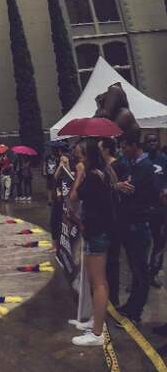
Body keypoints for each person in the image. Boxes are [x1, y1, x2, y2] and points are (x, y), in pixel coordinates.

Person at [70, 138, 116, 347]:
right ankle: (95, 321)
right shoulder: (100, 174)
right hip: (97, 231)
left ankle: (97, 333)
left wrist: (79, 174)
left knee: (98, 283)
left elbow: (73, 197)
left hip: (96, 233)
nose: (77, 159)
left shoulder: (93, 177)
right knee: (98, 281)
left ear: (87, 157)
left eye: (79, 156)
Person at [109, 136, 158, 324]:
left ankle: (136, 312)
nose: (122, 150)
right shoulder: (135, 165)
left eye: (125, 146)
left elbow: (133, 192)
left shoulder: (144, 166)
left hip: (138, 225)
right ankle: (131, 306)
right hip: (132, 225)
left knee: (140, 272)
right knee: (135, 270)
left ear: (134, 145)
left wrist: (122, 188)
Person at [144, 134, 167, 287]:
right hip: (144, 209)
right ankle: (140, 276)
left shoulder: (164, 160)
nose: (152, 143)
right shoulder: (142, 160)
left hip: (161, 209)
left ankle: (153, 273)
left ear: (158, 143)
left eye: (155, 141)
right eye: (149, 141)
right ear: (145, 143)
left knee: (159, 242)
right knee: (143, 243)